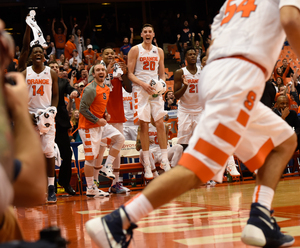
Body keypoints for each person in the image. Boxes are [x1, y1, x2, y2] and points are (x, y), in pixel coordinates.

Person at [85, 1, 300, 248]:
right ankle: (115, 222)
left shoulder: (234, 2)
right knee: (199, 168)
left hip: (218, 74)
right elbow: (291, 20)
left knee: (283, 141)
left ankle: (261, 217)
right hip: (236, 78)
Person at [0, 20, 46, 242]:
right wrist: (20, 109)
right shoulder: (18, 76)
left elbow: (25, 48)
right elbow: (34, 190)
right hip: (22, 120)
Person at [126, 24, 171, 181]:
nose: (147, 33)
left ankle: (165, 160)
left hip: (154, 90)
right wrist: (143, 84)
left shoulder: (158, 51)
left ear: (153, 34)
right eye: (144, 31)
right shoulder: (135, 50)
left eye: (150, 31)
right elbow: (130, 73)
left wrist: (162, 86)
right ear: (141, 34)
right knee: (144, 125)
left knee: (159, 123)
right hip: (140, 90)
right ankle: (147, 165)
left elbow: (162, 73)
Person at [88, 47, 132, 194]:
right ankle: (94, 184)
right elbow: (91, 87)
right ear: (102, 56)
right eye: (107, 54)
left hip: (118, 113)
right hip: (101, 115)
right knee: (99, 150)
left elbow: (129, 88)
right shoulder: (97, 70)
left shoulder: (118, 69)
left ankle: (116, 183)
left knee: (117, 149)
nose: (110, 56)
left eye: (112, 54)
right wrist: (107, 71)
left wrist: (125, 73)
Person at [78, 63, 125, 197]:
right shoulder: (90, 89)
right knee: (90, 159)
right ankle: (90, 188)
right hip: (88, 127)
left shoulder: (105, 87)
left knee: (120, 138)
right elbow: (82, 109)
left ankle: (107, 166)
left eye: (103, 70)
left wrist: (105, 114)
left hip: (100, 125)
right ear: (93, 74)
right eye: (97, 70)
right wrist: (97, 120)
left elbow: (99, 104)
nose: (101, 71)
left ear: (106, 73)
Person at [22, 44, 59, 203]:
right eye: (34, 52)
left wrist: (53, 110)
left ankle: (51, 188)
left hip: (47, 116)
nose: (38, 53)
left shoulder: (51, 73)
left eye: (40, 52)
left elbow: (56, 95)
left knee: (49, 152)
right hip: (30, 116)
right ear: (31, 56)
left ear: (44, 56)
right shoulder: (25, 73)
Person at [49, 61, 78, 196]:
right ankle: (51, 186)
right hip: (45, 124)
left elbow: (71, 89)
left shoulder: (62, 82)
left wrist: (74, 92)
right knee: (46, 156)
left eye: (57, 67)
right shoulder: (41, 82)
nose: (55, 69)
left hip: (60, 123)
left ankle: (64, 182)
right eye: (52, 67)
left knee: (67, 154)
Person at [174, 47, 202, 151]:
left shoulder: (202, 71)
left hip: (199, 110)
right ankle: (184, 166)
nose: (193, 56)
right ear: (185, 57)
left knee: (200, 141)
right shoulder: (180, 72)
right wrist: (185, 86)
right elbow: (176, 95)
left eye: (194, 54)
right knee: (183, 143)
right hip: (185, 111)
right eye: (190, 54)